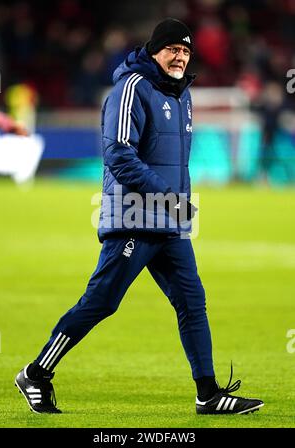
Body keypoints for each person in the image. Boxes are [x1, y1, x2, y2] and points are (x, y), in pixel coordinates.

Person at [15, 18, 264, 415]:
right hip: (133, 216)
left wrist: (177, 202)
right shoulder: (132, 87)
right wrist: (168, 196)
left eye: (186, 51)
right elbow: (117, 152)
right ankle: (36, 373)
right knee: (102, 301)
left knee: (192, 302)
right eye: (173, 49)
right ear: (154, 51)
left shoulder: (182, 95)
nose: (180, 56)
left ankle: (208, 393)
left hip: (169, 220)